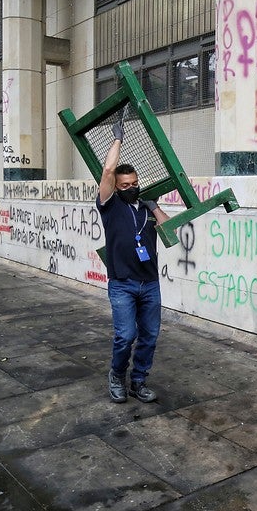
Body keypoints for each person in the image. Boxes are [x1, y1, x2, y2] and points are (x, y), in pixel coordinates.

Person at [97, 119, 170, 403]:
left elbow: (168, 229)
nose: (131, 188)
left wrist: (155, 206)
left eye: (135, 183)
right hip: (122, 284)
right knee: (125, 336)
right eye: (125, 184)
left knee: (150, 336)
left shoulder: (145, 208)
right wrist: (118, 139)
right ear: (117, 187)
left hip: (149, 283)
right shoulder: (110, 205)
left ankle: (138, 382)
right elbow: (107, 171)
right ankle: (117, 375)